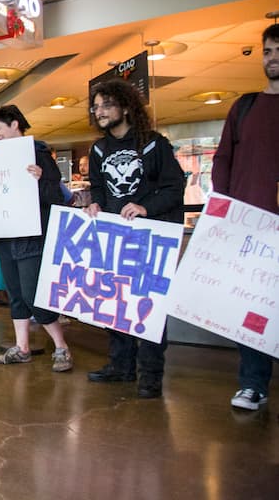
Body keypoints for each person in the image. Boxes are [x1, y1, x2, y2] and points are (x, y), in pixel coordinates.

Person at [84, 79, 185, 399]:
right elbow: (98, 187)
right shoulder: (98, 149)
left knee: (148, 307)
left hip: (149, 238)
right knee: (114, 303)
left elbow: (174, 188)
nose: (100, 111)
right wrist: (95, 203)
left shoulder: (154, 144)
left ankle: (151, 374)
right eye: (96, 106)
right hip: (114, 238)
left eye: (107, 105)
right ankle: (121, 365)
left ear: (126, 107)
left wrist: (145, 207)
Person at [211, 23, 279, 411]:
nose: (273, 58)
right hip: (249, 227)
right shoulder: (245, 106)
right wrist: (225, 208)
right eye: (267, 51)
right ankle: (253, 383)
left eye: (278, 50)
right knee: (252, 306)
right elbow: (223, 159)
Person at [0, 105, 73, 372]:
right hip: (5, 233)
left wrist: (40, 178)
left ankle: (61, 346)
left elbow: (56, 194)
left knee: (32, 292)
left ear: (15, 124)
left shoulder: (38, 151)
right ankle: (22, 347)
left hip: (31, 235)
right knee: (14, 291)